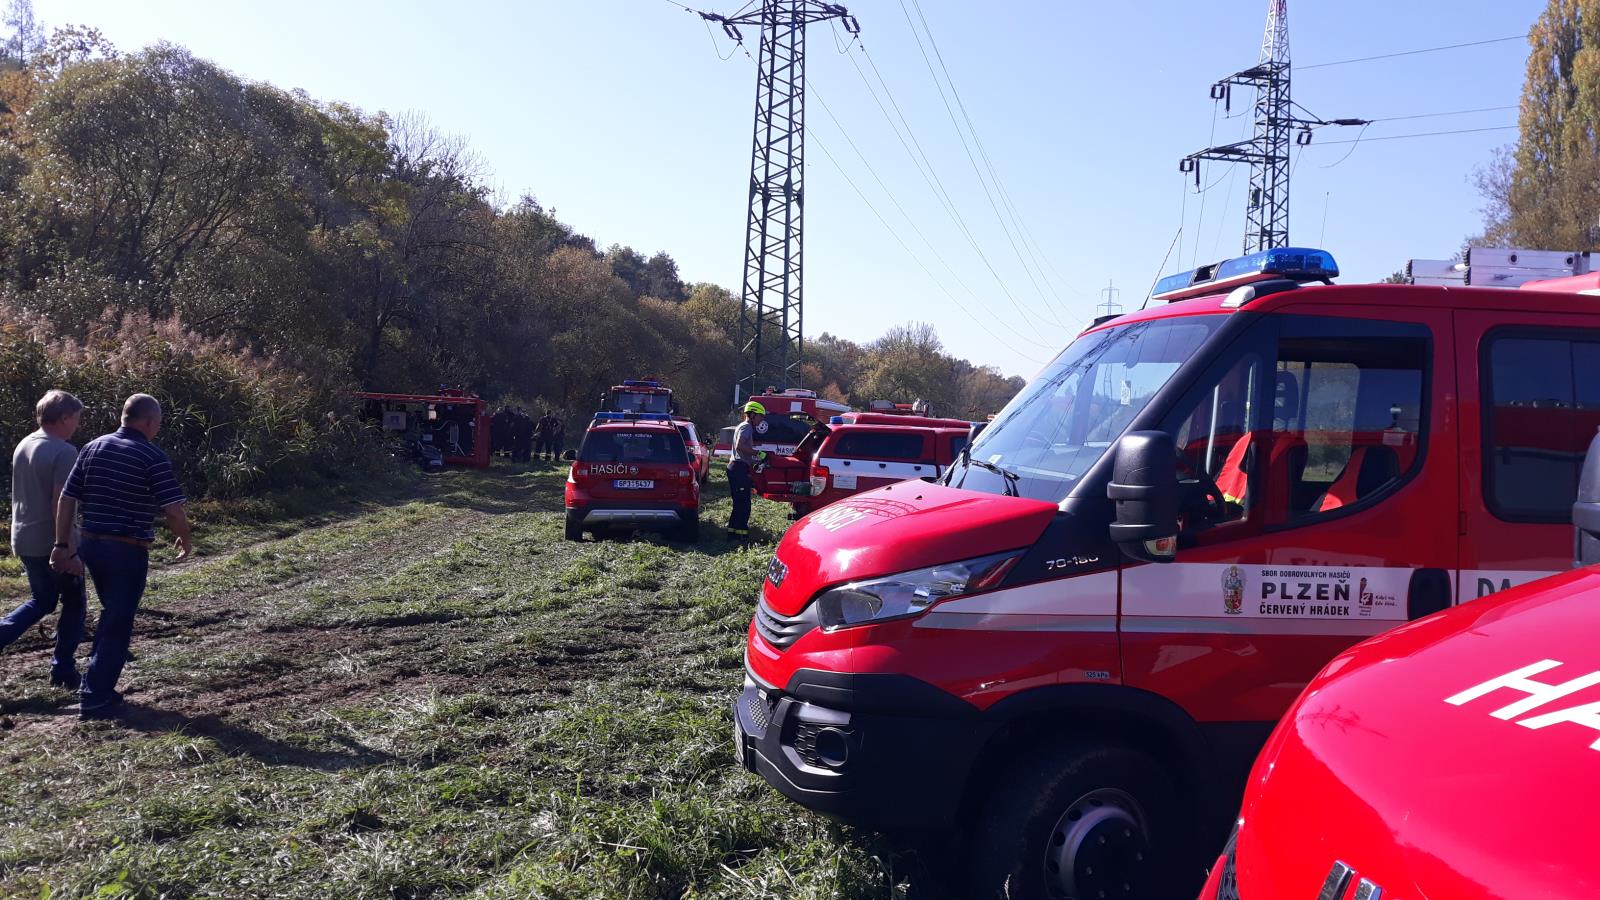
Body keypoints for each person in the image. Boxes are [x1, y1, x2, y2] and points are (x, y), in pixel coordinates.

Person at [52, 394, 192, 720]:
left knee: (111, 613)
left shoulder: (92, 447)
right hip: (126, 549)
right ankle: (96, 696)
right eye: (157, 423)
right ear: (148, 422)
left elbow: (67, 498)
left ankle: (97, 683)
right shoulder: (151, 456)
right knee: (118, 620)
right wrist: (185, 538)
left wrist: (63, 544)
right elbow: (172, 510)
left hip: (91, 545)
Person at [0, 390, 87, 688]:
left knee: (44, 600)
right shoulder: (64, 452)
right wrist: (69, 549)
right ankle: (62, 670)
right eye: (75, 418)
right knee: (75, 602)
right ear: (64, 417)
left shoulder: (24, 444)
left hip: (23, 538)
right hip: (51, 541)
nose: (76, 424)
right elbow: (60, 504)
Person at [727, 401, 768, 539]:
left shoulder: (743, 426)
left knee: (739, 503)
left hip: (736, 467)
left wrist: (755, 459)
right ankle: (741, 535)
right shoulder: (747, 427)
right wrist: (757, 453)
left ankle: (732, 532)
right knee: (744, 504)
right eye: (760, 416)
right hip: (738, 468)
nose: (762, 419)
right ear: (752, 415)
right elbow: (740, 446)